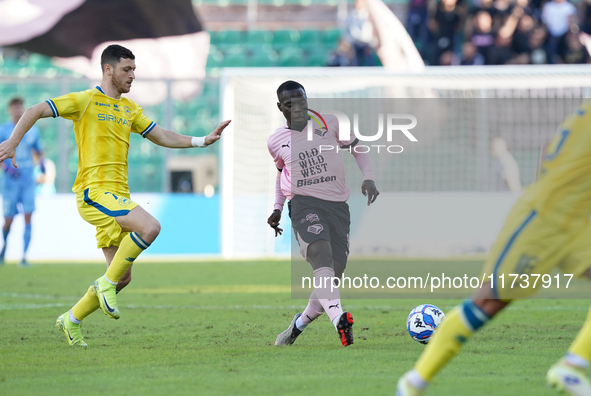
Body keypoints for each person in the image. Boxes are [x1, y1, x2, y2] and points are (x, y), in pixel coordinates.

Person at [0, 44, 230, 347]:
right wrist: (13, 142)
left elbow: (161, 135)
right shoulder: (85, 100)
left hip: (117, 196)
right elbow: (36, 109)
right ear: (108, 69)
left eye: (134, 69)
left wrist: (201, 140)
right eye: (127, 69)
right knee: (150, 227)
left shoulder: (129, 108)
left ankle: (71, 319)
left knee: (122, 278)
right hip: (94, 192)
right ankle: (104, 285)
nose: (133, 76)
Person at [396, 102, 591, 395]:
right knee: (489, 302)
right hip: (543, 218)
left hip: (575, 221)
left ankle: (572, 368)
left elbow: (548, 146)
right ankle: (412, 384)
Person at [267, 80, 379, 347]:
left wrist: (369, 178)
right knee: (321, 255)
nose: (298, 107)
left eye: (302, 100)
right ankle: (340, 319)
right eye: (290, 103)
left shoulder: (330, 122)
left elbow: (358, 149)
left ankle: (297, 326)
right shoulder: (275, 141)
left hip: (338, 208)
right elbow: (282, 175)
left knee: (331, 275)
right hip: (304, 204)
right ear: (280, 107)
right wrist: (277, 208)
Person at [0, 97, 44, 267]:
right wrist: (7, 168)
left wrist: (41, 166)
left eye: (20, 107)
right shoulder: (4, 129)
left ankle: (24, 256)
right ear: (10, 110)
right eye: (15, 107)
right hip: (10, 182)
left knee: (28, 215)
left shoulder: (33, 130)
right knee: (9, 218)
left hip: (27, 180)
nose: (18, 110)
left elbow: (39, 151)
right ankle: (4, 246)